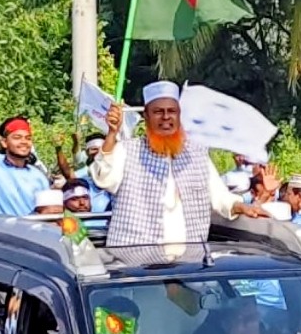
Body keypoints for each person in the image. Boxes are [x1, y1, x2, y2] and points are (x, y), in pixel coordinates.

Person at [90, 83, 269, 247]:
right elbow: (104, 179)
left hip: (188, 264)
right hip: (137, 266)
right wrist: (112, 134)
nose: (166, 117)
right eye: (158, 112)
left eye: (172, 111)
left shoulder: (196, 153)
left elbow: (220, 197)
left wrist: (242, 207)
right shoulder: (127, 150)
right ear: (146, 116)